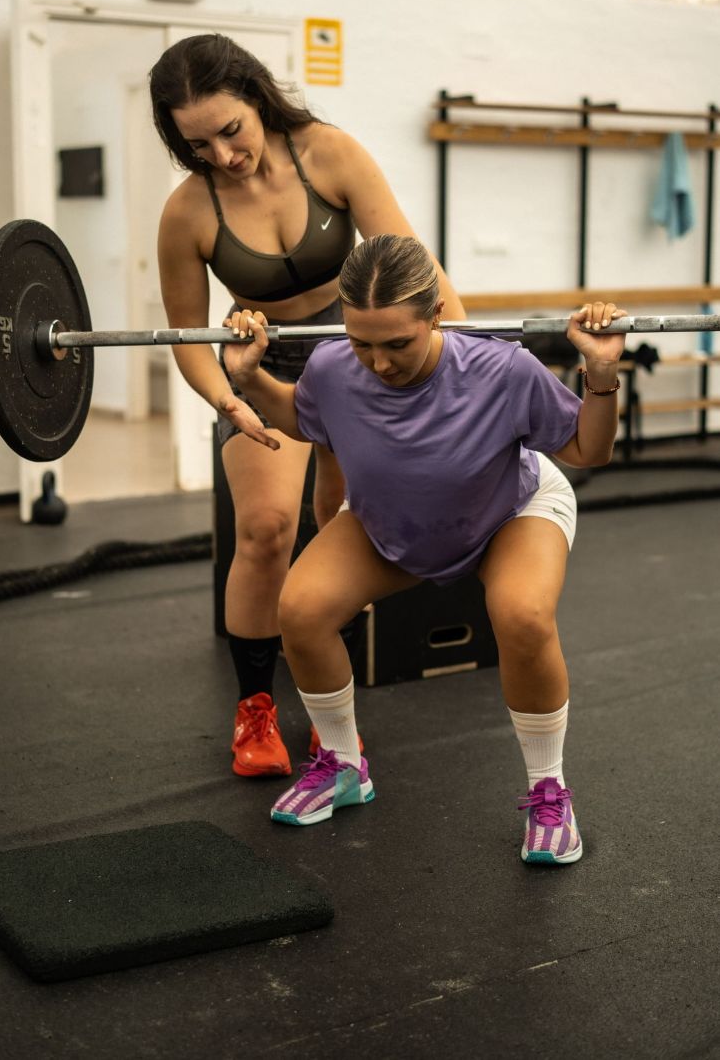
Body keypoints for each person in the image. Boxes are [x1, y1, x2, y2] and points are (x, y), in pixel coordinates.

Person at [222, 234, 627, 865]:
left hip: (508, 513)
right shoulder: (332, 367)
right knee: (300, 609)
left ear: (436, 316)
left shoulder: (503, 368)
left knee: (521, 616)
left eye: (397, 344)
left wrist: (600, 378)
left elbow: (588, 452)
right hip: (395, 523)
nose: (378, 363)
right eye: (362, 343)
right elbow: (304, 419)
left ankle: (549, 791)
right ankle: (344, 764)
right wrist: (250, 376)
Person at [149, 34, 466, 780]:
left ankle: (334, 715)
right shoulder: (187, 212)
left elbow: (417, 268)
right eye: (199, 143)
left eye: (232, 130)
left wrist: (472, 360)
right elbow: (189, 338)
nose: (224, 155)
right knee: (264, 529)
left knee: (348, 527)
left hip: (355, 355)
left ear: (257, 97)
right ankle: (255, 709)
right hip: (262, 366)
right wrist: (228, 396)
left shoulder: (330, 154)